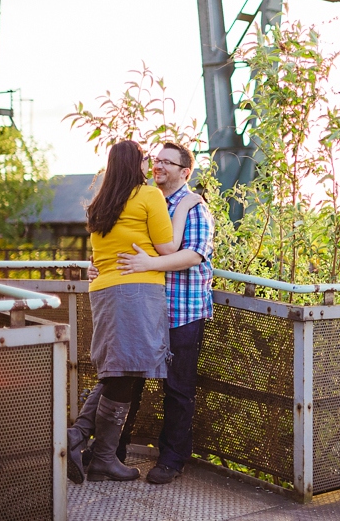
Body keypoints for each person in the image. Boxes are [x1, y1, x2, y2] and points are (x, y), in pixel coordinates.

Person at [67, 140, 200, 484]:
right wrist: (184, 208)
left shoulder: (101, 202)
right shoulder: (148, 197)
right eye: (148, 159)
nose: (151, 165)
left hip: (104, 293)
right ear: (135, 165)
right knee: (123, 373)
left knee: (117, 371)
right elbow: (170, 247)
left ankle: (92, 449)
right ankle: (89, 446)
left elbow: (101, 256)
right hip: (137, 293)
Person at [99, 142, 214, 485]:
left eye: (168, 162)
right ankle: (110, 452)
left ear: (185, 172)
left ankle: (171, 460)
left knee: (177, 389)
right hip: (143, 311)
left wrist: (151, 264)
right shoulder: (147, 200)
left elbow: (193, 255)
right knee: (126, 381)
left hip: (182, 312)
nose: (159, 165)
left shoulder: (194, 208)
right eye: (157, 159)